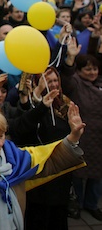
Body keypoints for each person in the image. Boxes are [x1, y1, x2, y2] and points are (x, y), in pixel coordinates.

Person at [61, 37, 102, 220]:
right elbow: (66, 80)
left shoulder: (99, 84)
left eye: (94, 68)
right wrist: (70, 59)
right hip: (83, 135)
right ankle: (75, 203)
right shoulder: (75, 83)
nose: (92, 72)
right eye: (88, 69)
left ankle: (92, 204)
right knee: (78, 173)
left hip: (99, 138)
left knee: (97, 175)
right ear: (79, 70)